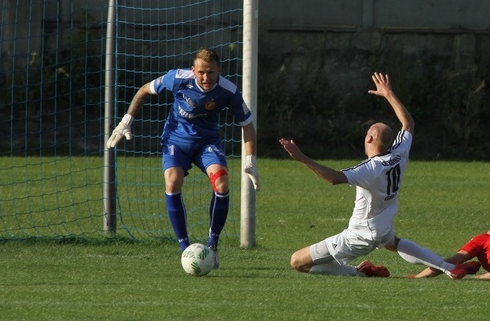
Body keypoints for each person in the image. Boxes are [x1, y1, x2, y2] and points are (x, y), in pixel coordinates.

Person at [281, 72, 456, 278]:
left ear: (370, 139)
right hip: (382, 227)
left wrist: (302, 157)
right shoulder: (399, 152)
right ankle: (449, 267)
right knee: (393, 242)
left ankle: (360, 273)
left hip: (359, 235)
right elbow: (408, 124)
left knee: (297, 262)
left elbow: (334, 178)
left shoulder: (371, 167)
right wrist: (389, 94)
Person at [107, 48, 259, 268]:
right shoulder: (177, 78)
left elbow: (247, 124)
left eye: (211, 73)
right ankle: (185, 249)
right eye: (201, 72)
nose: (206, 78)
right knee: (173, 181)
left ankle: (213, 246)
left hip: (207, 144)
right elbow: (143, 91)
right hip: (175, 143)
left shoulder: (229, 91)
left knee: (222, 182)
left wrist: (250, 160)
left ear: (219, 71)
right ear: (193, 70)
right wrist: (126, 120)